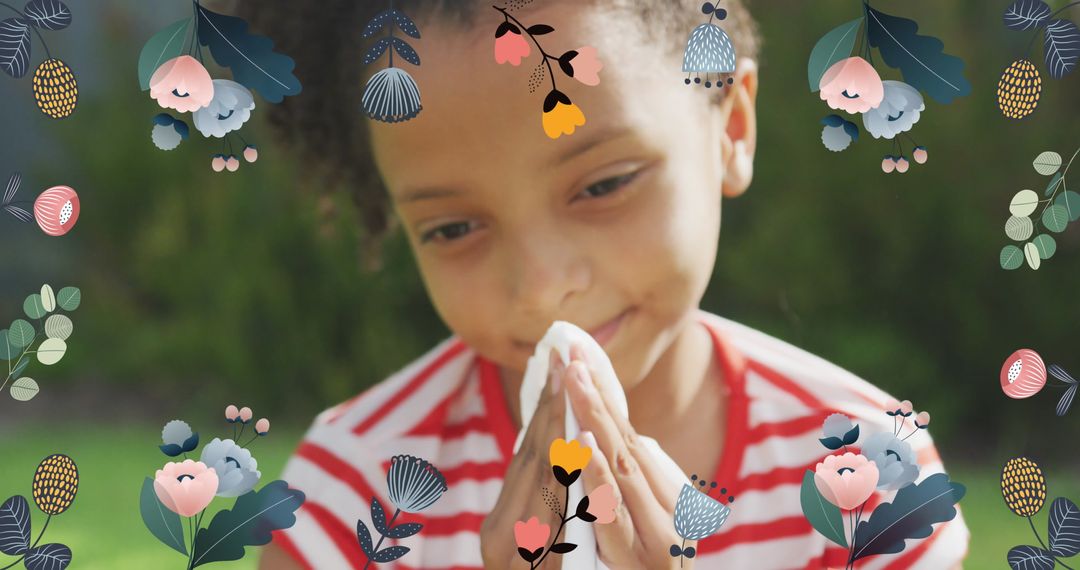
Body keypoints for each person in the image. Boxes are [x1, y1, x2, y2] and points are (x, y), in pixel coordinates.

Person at [246, 1, 969, 567]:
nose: (541, 288)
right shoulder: (352, 503)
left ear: (731, 127)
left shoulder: (870, 480)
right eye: (453, 229)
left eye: (605, 185)